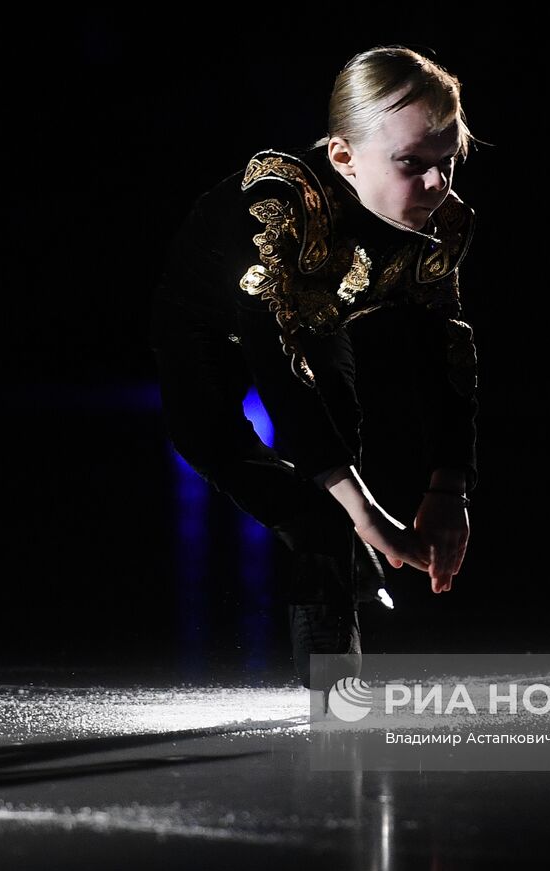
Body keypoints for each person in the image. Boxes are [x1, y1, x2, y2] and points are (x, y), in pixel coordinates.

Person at [149, 46, 481, 691]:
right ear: (342, 157)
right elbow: (280, 377)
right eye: (412, 165)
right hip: (206, 317)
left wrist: (450, 486)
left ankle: (329, 620)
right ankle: (329, 548)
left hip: (314, 316)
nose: (437, 186)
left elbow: (445, 351)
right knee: (214, 440)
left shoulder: (446, 224)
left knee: (339, 421)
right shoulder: (281, 211)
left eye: (447, 164)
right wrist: (364, 518)